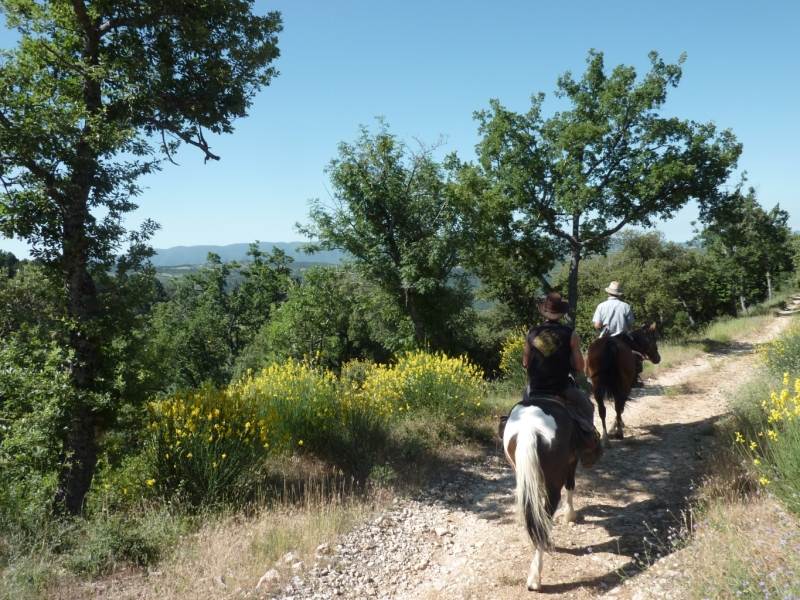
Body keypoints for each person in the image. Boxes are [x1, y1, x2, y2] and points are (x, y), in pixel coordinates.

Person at [522, 292, 595, 422]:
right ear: (561, 312)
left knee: (520, 413)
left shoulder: (531, 332)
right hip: (561, 387)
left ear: (543, 310)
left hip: (535, 387)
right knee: (588, 408)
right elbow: (579, 367)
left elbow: (525, 363)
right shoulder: (570, 334)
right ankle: (590, 438)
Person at [592, 281, 643, 387]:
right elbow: (630, 326)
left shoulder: (601, 306)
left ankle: (590, 375)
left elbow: (597, 325)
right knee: (638, 354)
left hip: (605, 338)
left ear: (608, 293)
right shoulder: (626, 306)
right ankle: (634, 380)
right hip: (622, 338)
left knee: (591, 353)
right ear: (618, 293)